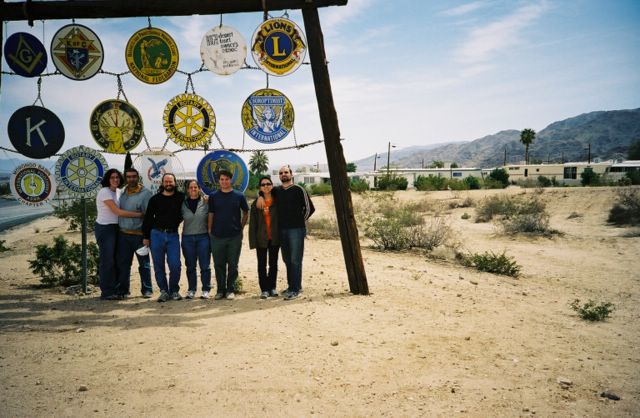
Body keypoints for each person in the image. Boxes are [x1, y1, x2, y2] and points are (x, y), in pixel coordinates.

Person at [258, 165, 314, 300]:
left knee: (295, 259)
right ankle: (293, 286)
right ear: (279, 176)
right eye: (281, 173)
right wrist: (259, 195)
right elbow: (265, 191)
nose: (284, 174)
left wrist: (299, 221)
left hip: (296, 230)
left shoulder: (299, 189)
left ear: (291, 174)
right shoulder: (277, 191)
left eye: (286, 172)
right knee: (287, 259)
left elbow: (309, 209)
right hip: (282, 230)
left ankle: (294, 290)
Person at [95, 168, 143, 300]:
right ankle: (107, 292)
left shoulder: (118, 191)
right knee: (107, 261)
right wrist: (140, 215)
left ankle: (117, 289)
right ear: (107, 179)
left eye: (117, 177)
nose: (115, 179)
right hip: (105, 229)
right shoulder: (104, 192)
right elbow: (118, 212)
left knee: (116, 260)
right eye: (112, 177)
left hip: (117, 228)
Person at [142, 173, 184, 302]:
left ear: (175, 183)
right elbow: (148, 219)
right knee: (158, 265)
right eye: (166, 182)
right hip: (156, 235)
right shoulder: (155, 199)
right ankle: (164, 291)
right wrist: (146, 237)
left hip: (173, 235)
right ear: (162, 183)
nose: (168, 184)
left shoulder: (181, 198)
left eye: (170, 182)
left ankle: (174, 291)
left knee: (175, 265)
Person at [208, 169, 249, 300]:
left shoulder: (239, 195)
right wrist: (210, 230)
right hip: (217, 236)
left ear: (231, 180)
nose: (224, 182)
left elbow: (246, 212)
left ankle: (230, 289)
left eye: (226, 179)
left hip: (234, 236)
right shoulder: (214, 196)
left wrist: (241, 227)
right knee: (218, 264)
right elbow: (211, 214)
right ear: (218, 181)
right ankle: (220, 290)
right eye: (222, 179)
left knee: (233, 264)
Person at [116, 168, 153, 298]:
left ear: (138, 177)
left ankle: (147, 290)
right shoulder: (122, 193)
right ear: (125, 179)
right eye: (129, 177)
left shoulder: (145, 194)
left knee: (144, 264)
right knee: (124, 265)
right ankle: (124, 290)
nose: (131, 179)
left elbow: (149, 217)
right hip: (123, 235)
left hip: (139, 235)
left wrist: (147, 236)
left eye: (134, 176)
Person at [249, 176, 280, 299]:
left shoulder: (277, 201)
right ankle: (264, 289)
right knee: (261, 264)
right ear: (260, 187)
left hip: (275, 237)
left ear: (272, 185)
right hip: (261, 238)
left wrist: (260, 195)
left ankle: (272, 287)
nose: (266, 186)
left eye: (268, 183)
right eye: (263, 184)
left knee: (273, 264)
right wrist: (253, 242)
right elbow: (252, 225)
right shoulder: (256, 204)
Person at [181, 180, 212, 299]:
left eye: (195, 187)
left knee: (205, 265)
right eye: (191, 187)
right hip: (187, 238)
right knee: (190, 266)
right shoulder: (182, 203)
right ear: (187, 189)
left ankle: (206, 290)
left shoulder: (205, 202)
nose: (193, 189)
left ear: (199, 189)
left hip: (203, 237)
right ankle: (191, 290)